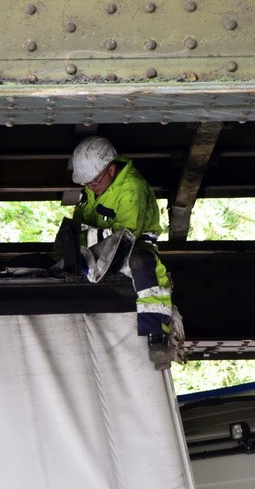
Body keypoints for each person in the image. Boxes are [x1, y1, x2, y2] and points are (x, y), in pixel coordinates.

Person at [66, 135, 179, 369]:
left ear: (112, 169)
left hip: (131, 247)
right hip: (98, 249)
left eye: (94, 181)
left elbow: (124, 237)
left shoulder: (131, 190)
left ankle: (157, 336)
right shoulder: (95, 184)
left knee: (143, 264)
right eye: (86, 183)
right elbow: (81, 221)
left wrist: (84, 237)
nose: (90, 187)